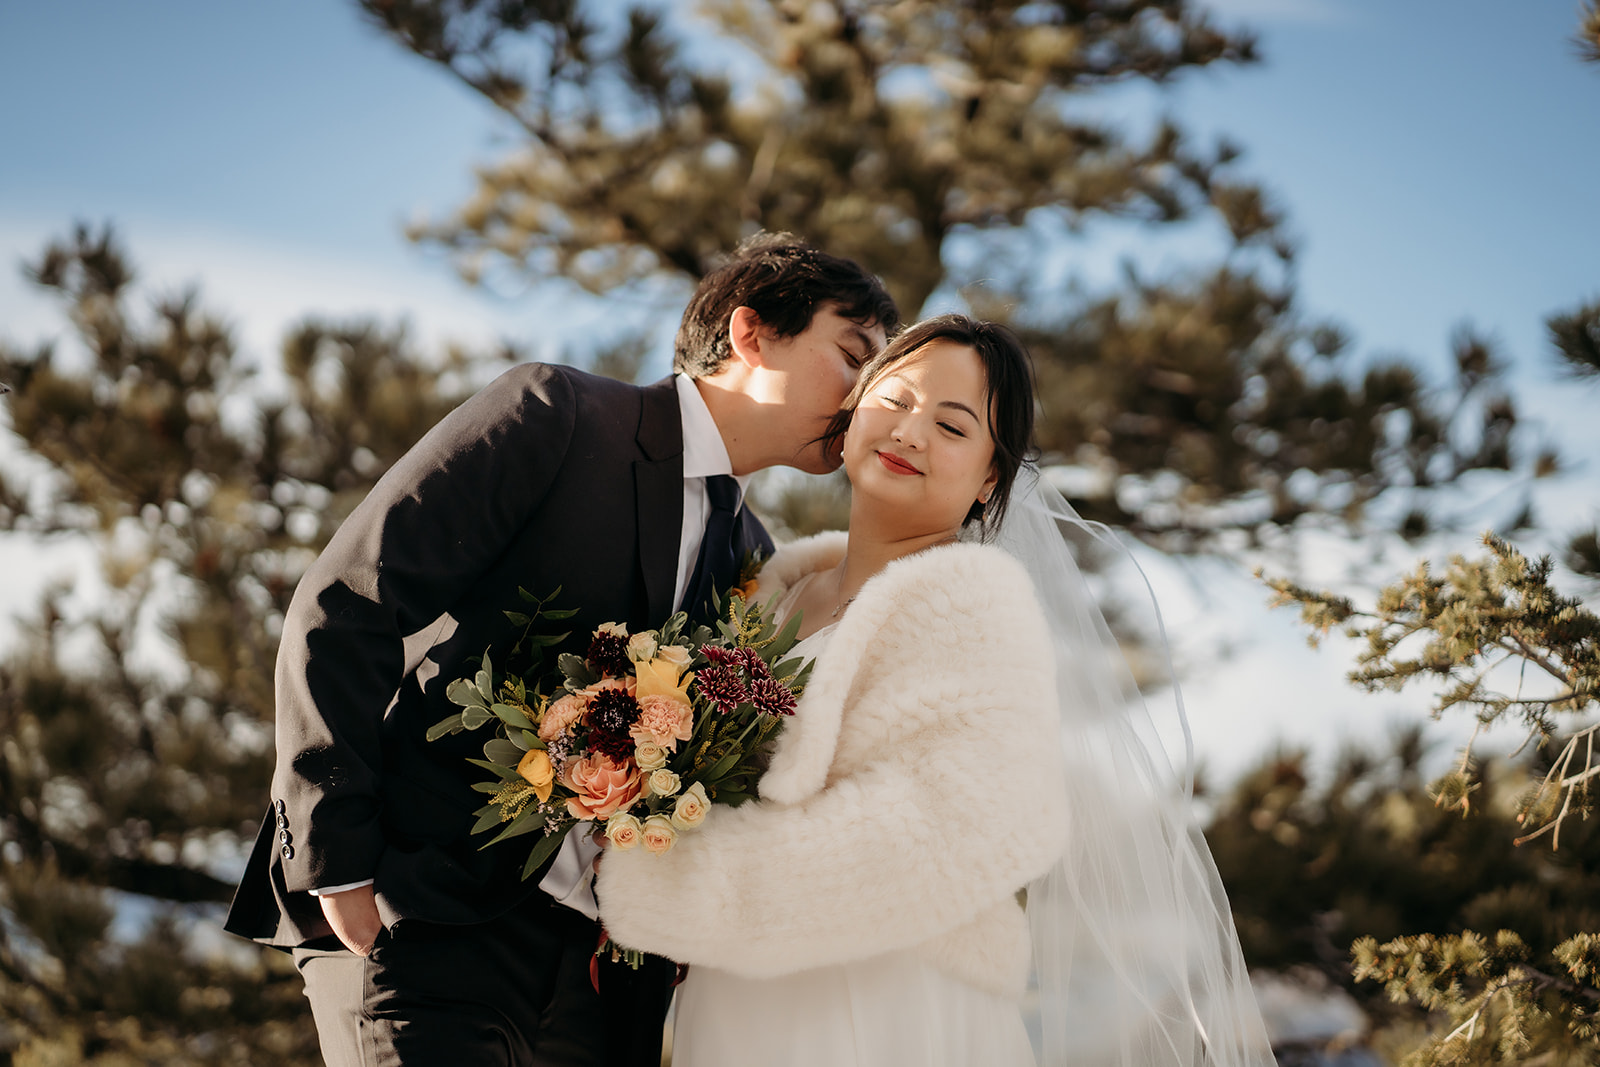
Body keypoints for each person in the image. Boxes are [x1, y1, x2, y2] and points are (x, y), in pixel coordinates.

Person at [222, 232, 898, 1067]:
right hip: (422, 914)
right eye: (852, 354)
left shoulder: (754, 561)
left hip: (600, 991)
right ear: (751, 333)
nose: (866, 396)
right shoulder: (558, 413)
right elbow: (345, 602)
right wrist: (337, 855)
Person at [595, 315, 1278, 1066]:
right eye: (894, 399)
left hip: (889, 1005)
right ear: (854, 413)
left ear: (990, 477)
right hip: (736, 1005)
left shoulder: (978, 609)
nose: (910, 432)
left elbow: (956, 829)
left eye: (952, 427)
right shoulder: (765, 595)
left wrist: (665, 882)